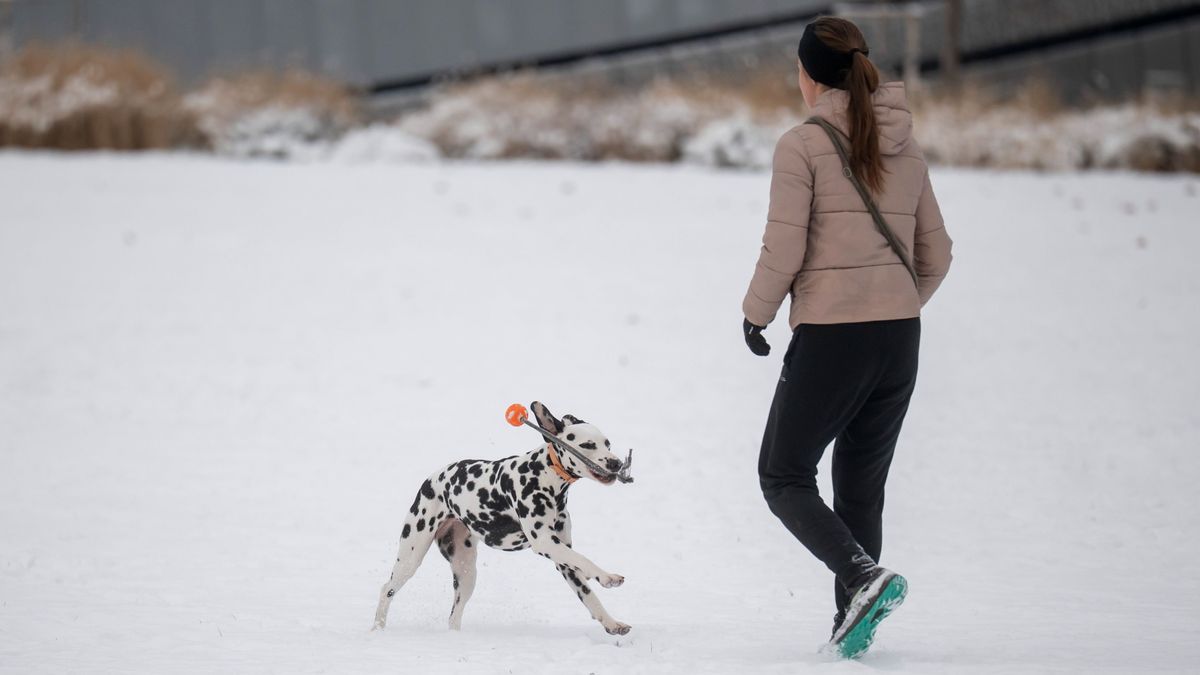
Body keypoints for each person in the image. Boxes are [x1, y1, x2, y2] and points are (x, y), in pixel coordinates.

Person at [741, 16, 953, 659]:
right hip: (901, 338)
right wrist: (892, 306)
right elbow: (937, 254)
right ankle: (851, 628)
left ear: (809, 76)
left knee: (782, 473)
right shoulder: (906, 145)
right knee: (860, 486)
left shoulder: (801, 145)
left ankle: (862, 578)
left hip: (834, 336)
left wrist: (757, 313)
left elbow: (785, 246)